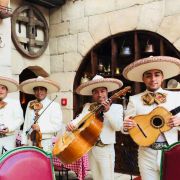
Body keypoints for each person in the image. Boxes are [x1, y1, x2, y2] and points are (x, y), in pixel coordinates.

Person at [122, 56, 180, 180]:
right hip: (146, 153)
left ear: (162, 77)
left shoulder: (176, 96)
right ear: (143, 79)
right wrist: (126, 126)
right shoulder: (135, 100)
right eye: (148, 75)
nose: (153, 79)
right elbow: (126, 125)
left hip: (171, 152)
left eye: (157, 75)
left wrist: (179, 122)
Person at [66, 75, 124, 180]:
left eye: (102, 91)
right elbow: (79, 119)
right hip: (91, 148)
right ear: (92, 94)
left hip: (106, 149)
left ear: (107, 92)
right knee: (96, 177)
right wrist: (71, 124)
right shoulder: (88, 106)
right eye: (96, 92)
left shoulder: (116, 107)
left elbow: (118, 127)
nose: (99, 94)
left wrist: (107, 111)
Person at [20, 76, 63, 152]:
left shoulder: (54, 105)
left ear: (46, 91)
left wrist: (40, 127)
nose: (39, 92)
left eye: (42, 89)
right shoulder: (30, 104)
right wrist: (24, 142)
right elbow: (26, 124)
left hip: (46, 142)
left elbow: (57, 126)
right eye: (36, 89)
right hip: (31, 142)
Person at [0, 76, 24, 155]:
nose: (0, 90)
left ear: (7, 90)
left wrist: (9, 128)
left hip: (9, 139)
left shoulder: (14, 103)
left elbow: (20, 119)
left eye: (3, 88)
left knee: (7, 163)